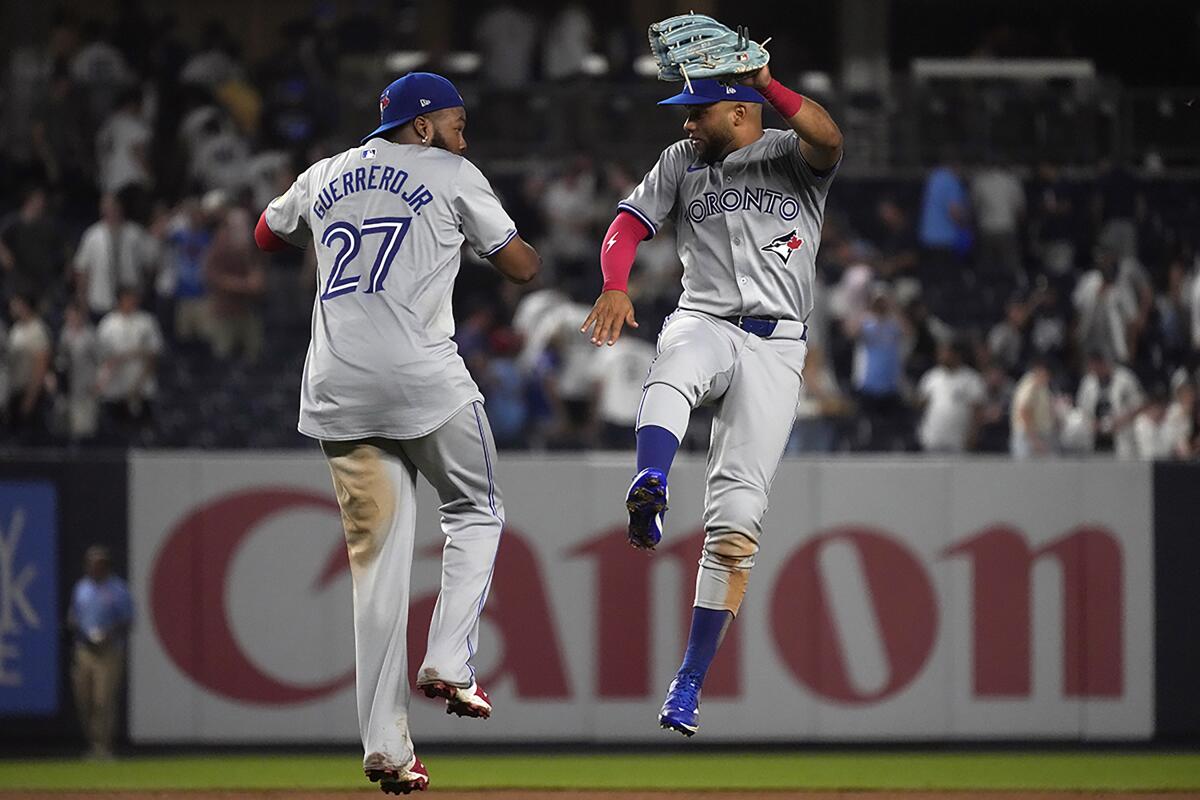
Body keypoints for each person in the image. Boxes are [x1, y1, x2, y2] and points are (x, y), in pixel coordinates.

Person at [255, 72, 540, 795]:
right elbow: (520, 266)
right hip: (421, 382)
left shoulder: (324, 172)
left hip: (338, 389)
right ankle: (449, 658)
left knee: (375, 574)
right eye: (455, 121)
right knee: (476, 509)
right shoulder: (450, 170)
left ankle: (385, 747)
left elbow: (265, 233)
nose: (463, 134)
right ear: (420, 127)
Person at [580, 55, 843, 736]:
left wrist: (770, 85)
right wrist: (615, 281)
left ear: (739, 110)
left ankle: (689, 682)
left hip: (780, 345)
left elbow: (832, 139)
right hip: (707, 316)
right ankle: (651, 479)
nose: (687, 122)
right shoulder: (680, 159)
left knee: (737, 521)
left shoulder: (791, 153)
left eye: (697, 110)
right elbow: (627, 224)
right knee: (673, 364)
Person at [67, 545, 133, 759]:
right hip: (84, 650)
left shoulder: (118, 590)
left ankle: (102, 748)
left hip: (108, 651)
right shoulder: (81, 588)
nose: (93, 567)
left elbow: (128, 620)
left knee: (103, 700)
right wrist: (80, 630)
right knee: (83, 700)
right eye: (90, 563)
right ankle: (93, 743)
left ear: (106, 565)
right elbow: (73, 617)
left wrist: (107, 635)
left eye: (98, 563)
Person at [96, 287, 163, 444]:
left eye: (134, 298)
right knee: (116, 435)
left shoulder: (147, 321)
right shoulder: (108, 324)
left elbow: (154, 353)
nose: (131, 302)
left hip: (142, 388)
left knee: (144, 433)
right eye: (127, 298)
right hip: (115, 388)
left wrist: (139, 383)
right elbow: (103, 356)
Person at [915, 340, 986, 453]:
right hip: (933, 437)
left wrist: (973, 435)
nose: (941, 356)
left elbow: (977, 411)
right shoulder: (931, 377)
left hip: (958, 440)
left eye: (945, 353)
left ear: (956, 355)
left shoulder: (971, 379)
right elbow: (920, 405)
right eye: (940, 353)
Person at [1075, 351, 1145, 459]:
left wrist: (1121, 420)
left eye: (1100, 365)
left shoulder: (1125, 378)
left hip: (1121, 431)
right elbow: (1082, 409)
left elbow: (1139, 405)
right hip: (1096, 436)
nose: (1097, 369)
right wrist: (1093, 424)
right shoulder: (1088, 382)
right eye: (1094, 366)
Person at [1010, 358, 1056, 458]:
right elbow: (1024, 411)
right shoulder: (1030, 385)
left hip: (1040, 435)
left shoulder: (1042, 386)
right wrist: (1034, 440)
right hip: (1028, 437)